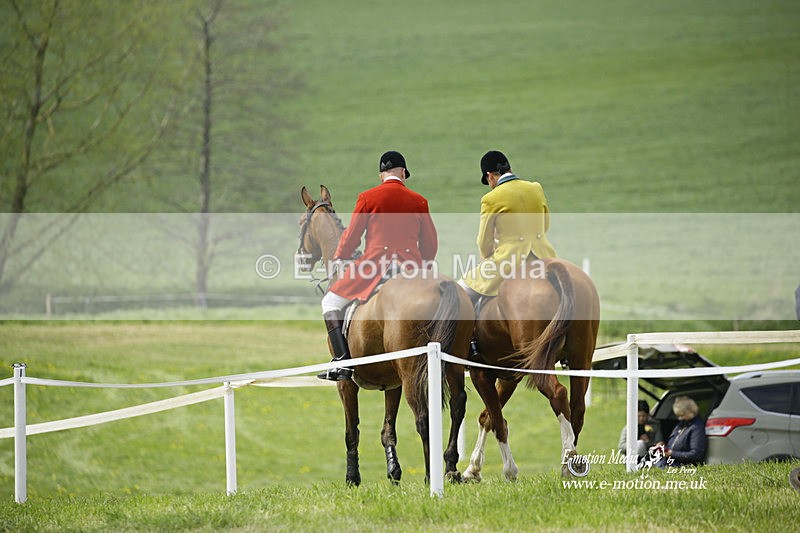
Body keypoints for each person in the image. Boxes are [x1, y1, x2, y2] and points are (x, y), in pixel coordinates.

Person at [317, 150, 438, 381]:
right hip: (410, 268)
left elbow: (352, 237)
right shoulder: (419, 200)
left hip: (373, 267)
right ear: (403, 172)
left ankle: (343, 363)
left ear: (381, 175)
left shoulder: (367, 197)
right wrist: (422, 267)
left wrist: (340, 256)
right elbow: (430, 245)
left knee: (329, 302)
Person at [457, 150, 558, 306]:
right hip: (544, 256)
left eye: (488, 181)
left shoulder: (491, 198)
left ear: (490, 176)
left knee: (460, 291)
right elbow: (545, 224)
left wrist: (489, 256)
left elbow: (484, 242)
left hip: (509, 260)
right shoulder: (535, 188)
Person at [660, 395, 707, 467]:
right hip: (669, 462)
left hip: (682, 466)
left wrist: (671, 454)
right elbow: (672, 445)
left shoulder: (697, 427)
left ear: (691, 411)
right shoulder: (681, 424)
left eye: (682, 415)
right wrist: (663, 447)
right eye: (678, 416)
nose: (680, 418)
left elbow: (696, 454)